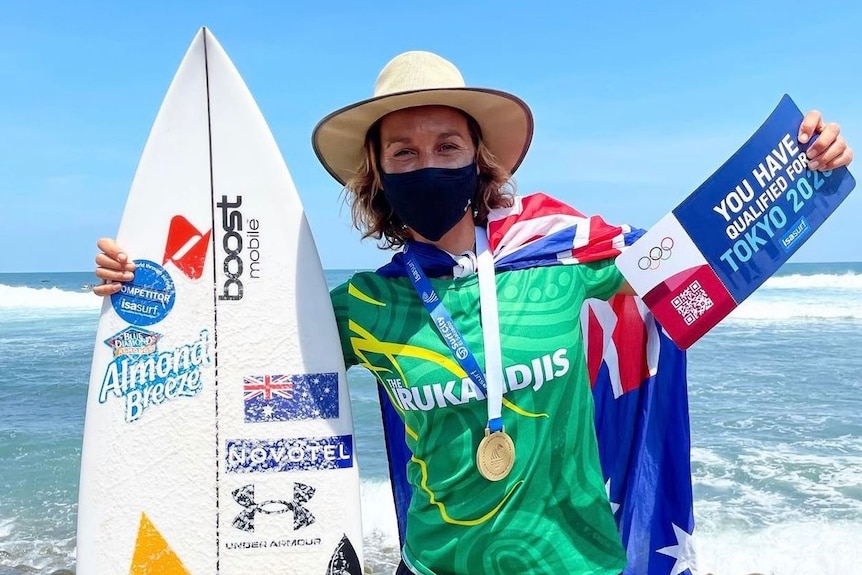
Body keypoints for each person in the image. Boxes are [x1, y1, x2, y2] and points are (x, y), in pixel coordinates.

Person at [93, 51, 853, 575]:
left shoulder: (563, 258)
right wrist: (141, 290)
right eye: (404, 154)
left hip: (578, 563)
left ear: (479, 161)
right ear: (378, 179)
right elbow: (244, 342)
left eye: (446, 144)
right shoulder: (366, 305)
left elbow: (700, 254)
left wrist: (802, 169)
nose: (428, 164)